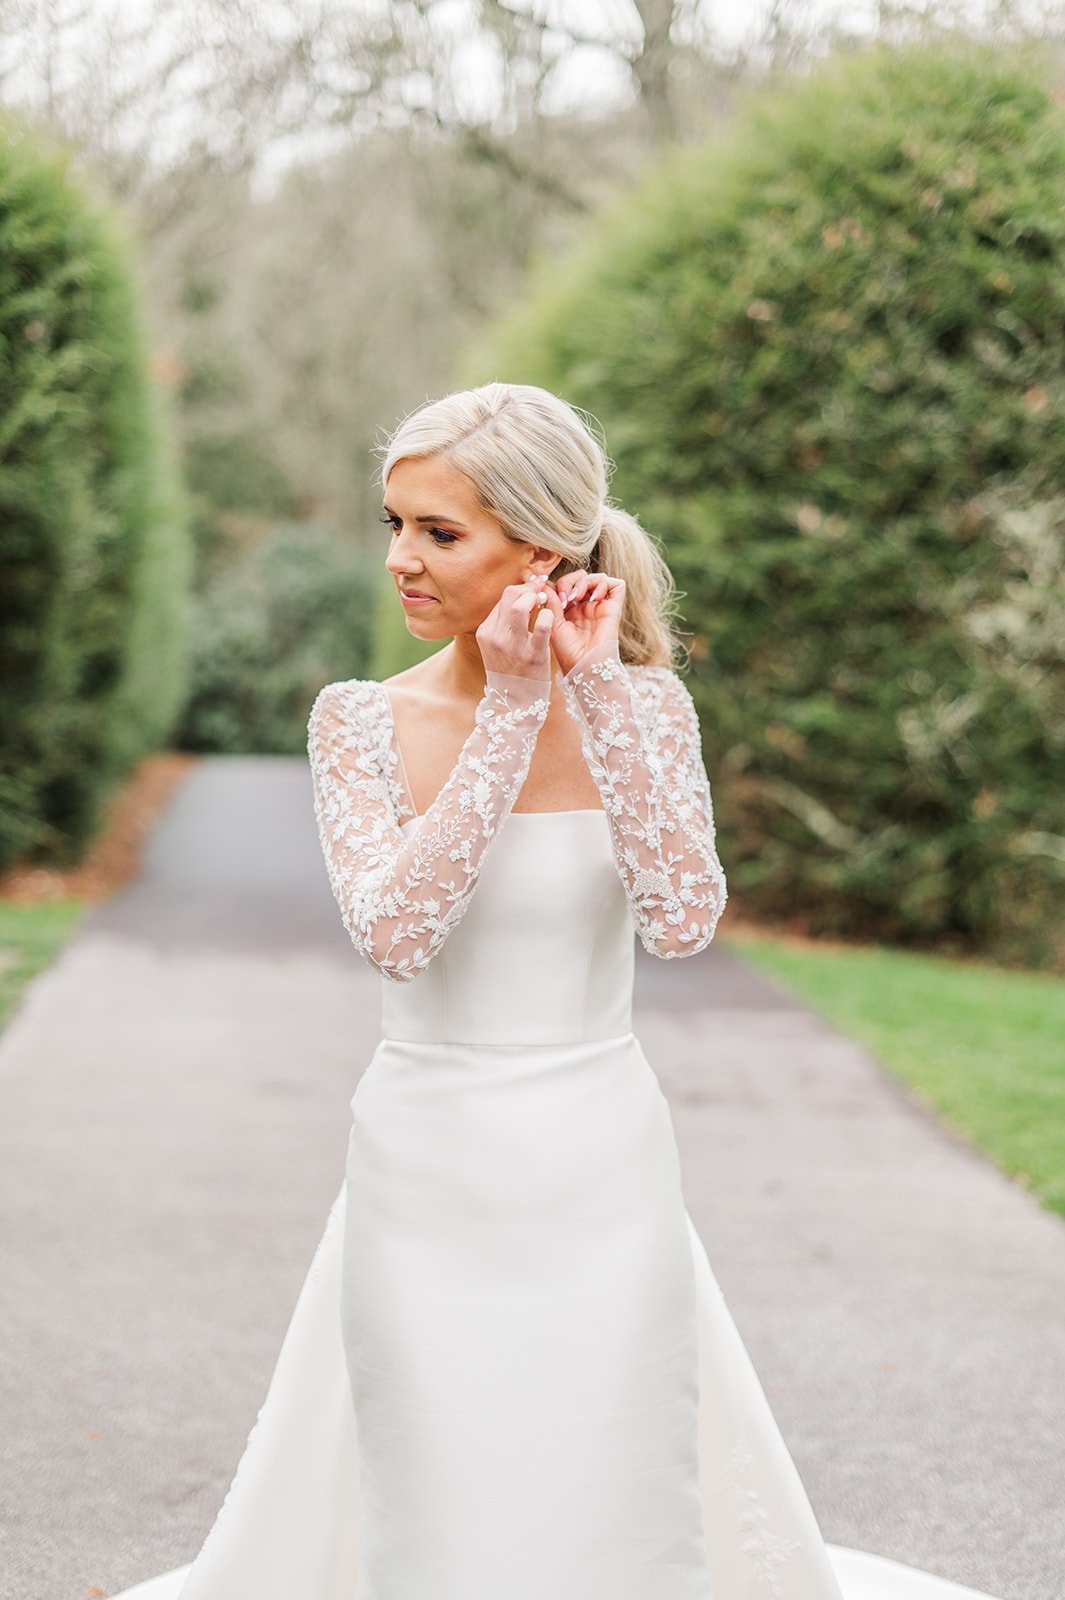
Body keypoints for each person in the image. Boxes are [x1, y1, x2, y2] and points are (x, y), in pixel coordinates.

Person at [113, 383, 999, 1600]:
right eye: (395, 523)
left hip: (599, 1157)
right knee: (439, 1456)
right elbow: (395, 932)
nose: (398, 559)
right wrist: (511, 711)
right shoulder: (358, 721)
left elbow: (685, 919)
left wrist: (590, 696)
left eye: (438, 532)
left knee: (606, 1455)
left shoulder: (646, 710)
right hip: (424, 1157)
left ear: (540, 547)